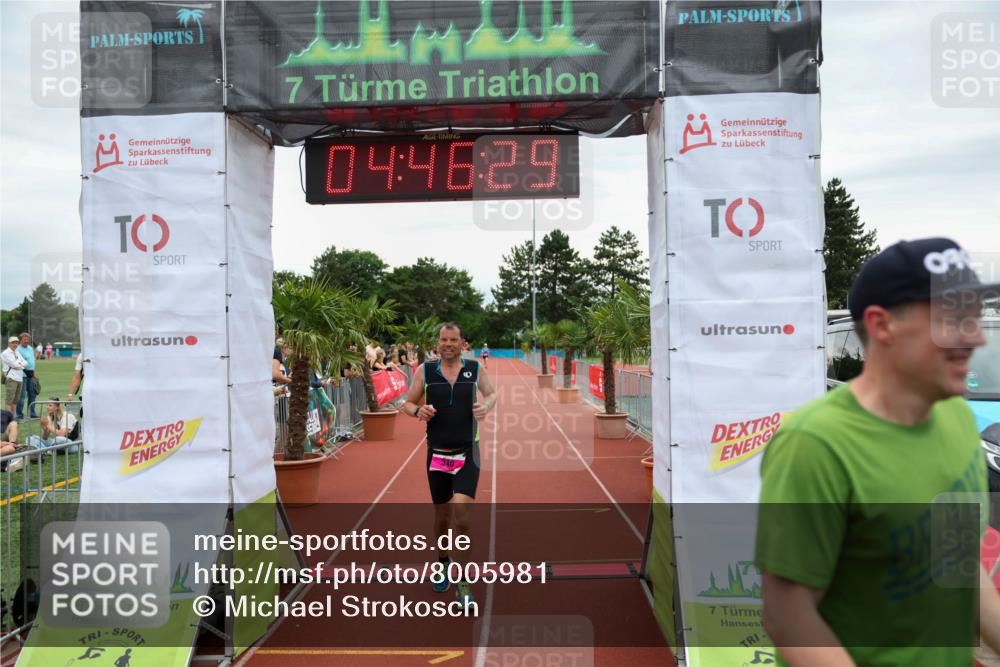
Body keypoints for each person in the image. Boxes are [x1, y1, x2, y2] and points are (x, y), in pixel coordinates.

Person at [755, 238, 1000, 667]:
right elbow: (789, 617)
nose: (975, 336)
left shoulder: (958, 420)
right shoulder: (814, 445)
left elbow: (958, 566)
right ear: (882, 325)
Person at [402, 322, 496, 607]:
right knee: (442, 519)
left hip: (468, 452)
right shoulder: (425, 371)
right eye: (444, 340)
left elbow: (492, 394)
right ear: (438, 343)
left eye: (453, 340)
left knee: (463, 518)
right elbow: (406, 403)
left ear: (462, 343)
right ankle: (442, 562)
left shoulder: (475, 369)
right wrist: (418, 410)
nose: (448, 344)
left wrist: (486, 406)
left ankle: (464, 583)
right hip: (438, 455)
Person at [1, 336, 27, 415]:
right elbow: (14, 365)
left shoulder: (17, 352)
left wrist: (20, 364)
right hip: (11, 378)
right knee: (9, 400)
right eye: (13, 342)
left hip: (19, 378)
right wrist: (20, 364)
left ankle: (14, 416)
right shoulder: (5, 353)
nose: (15, 344)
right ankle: (8, 418)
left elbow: (25, 362)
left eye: (16, 342)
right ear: (9, 343)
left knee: (16, 400)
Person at [16, 333, 38, 419]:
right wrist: (25, 370)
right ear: (20, 340)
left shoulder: (30, 348)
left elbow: (32, 360)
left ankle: (32, 413)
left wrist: (33, 372)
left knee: (33, 394)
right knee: (22, 396)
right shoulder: (18, 349)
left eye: (27, 339)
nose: (26, 341)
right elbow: (17, 362)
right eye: (24, 339)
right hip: (22, 376)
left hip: (31, 375)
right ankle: (19, 415)